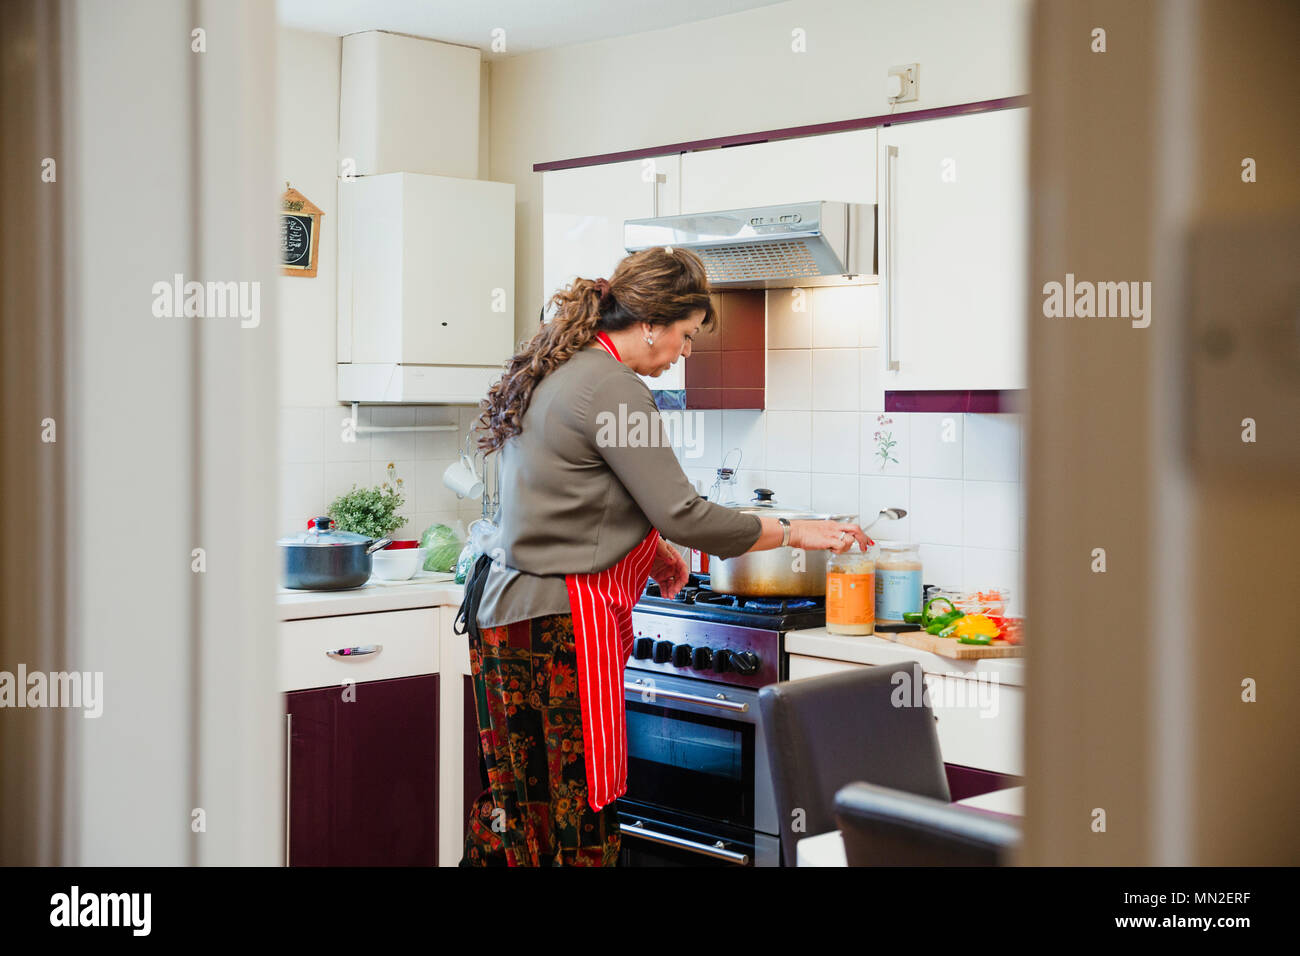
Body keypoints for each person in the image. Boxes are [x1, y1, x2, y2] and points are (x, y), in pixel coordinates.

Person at [459, 246, 870, 867]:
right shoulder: (616, 390)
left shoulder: (564, 366)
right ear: (651, 322)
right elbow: (685, 513)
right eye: (685, 336)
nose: (683, 353)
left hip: (507, 615)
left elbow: (569, 493)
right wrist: (794, 530)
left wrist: (651, 551)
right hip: (557, 624)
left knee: (519, 810)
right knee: (578, 812)